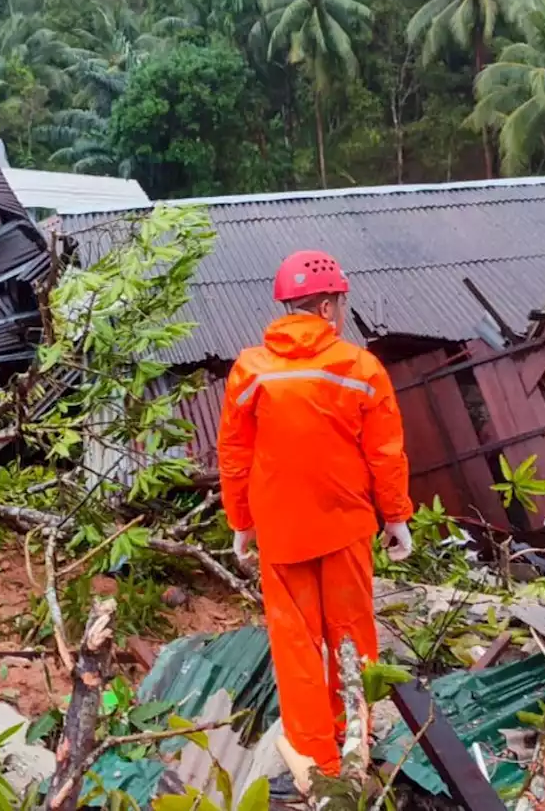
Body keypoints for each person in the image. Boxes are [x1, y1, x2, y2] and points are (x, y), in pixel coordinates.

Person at [217, 250, 414, 785]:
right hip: (346, 526)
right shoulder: (360, 368)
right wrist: (396, 517)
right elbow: (385, 453)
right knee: (352, 634)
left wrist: (241, 523)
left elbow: (235, 455)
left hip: (280, 534)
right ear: (327, 306)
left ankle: (315, 757)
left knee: (296, 642)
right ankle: (356, 733)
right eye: (341, 304)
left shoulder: (250, 371)